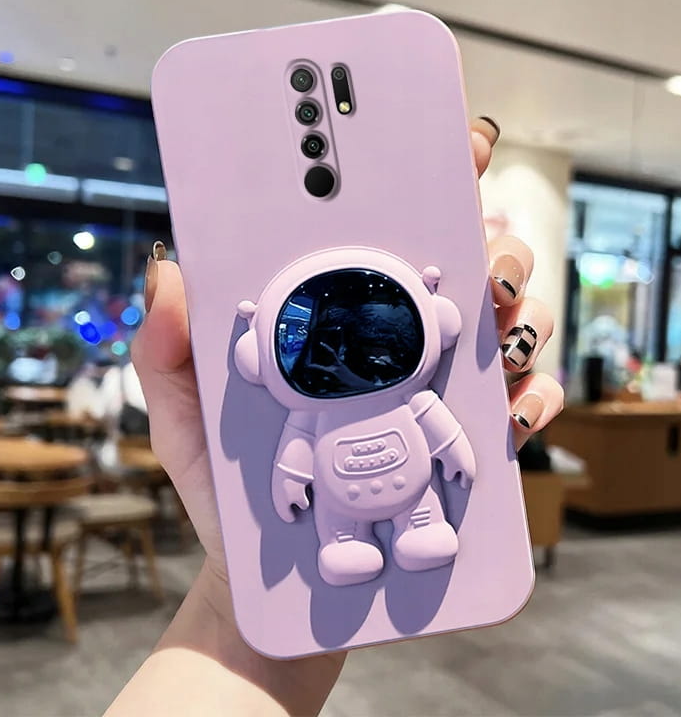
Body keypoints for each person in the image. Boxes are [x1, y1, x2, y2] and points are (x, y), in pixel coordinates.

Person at [106, 118, 564, 717]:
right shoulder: (322, 412)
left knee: (420, 514)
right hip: (346, 497)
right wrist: (267, 525)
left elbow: (434, 426)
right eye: (326, 341)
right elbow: (298, 452)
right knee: (346, 530)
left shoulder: (396, 398)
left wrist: (459, 451)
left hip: (407, 486)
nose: (350, 355)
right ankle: (347, 541)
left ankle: (412, 528)